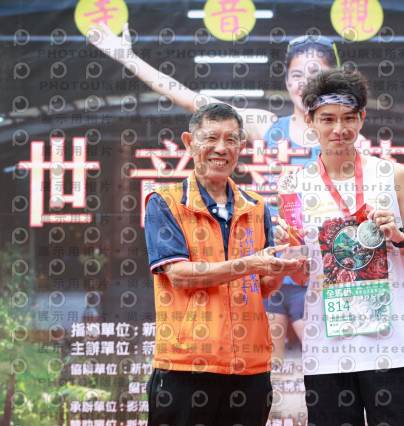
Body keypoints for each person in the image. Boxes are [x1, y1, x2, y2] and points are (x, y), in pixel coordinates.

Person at [89, 25, 344, 366]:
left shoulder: (344, 138)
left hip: (319, 273)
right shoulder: (268, 126)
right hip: (265, 269)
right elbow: (192, 100)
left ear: (331, 80)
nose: (303, 83)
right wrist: (128, 58)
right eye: (296, 75)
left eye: (314, 74)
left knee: (328, 371)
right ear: (286, 81)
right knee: (270, 372)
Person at [279, 69, 404, 425]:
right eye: (328, 119)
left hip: (389, 351)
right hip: (325, 353)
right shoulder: (293, 185)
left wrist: (399, 237)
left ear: (362, 118)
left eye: (349, 118)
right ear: (310, 122)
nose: (340, 128)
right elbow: (300, 276)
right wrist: (288, 256)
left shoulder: (393, 176)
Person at [143, 103, 307, 426]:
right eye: (211, 138)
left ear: (241, 147)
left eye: (231, 140)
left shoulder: (256, 207)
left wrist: (280, 270)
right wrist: (250, 264)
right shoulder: (165, 202)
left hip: (250, 368)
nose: (221, 148)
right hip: (186, 366)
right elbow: (180, 276)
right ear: (189, 142)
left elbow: (262, 287)